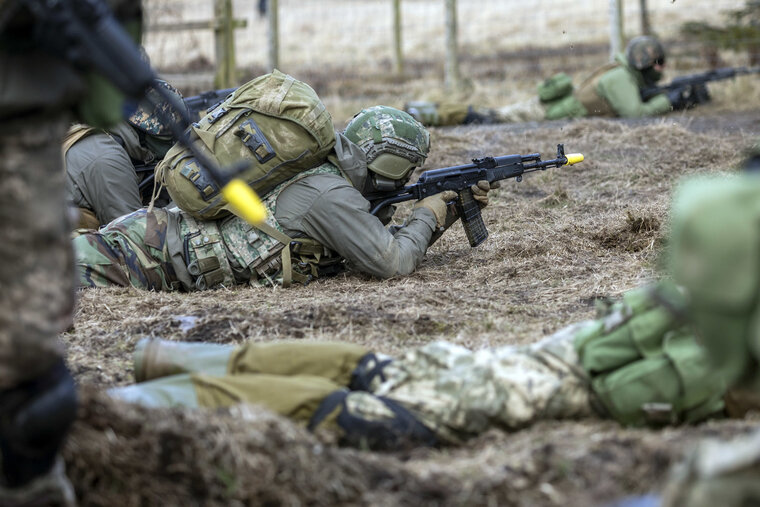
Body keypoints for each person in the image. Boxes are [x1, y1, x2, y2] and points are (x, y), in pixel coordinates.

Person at [110, 159, 760, 450]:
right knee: (390, 413)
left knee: (394, 373)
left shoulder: (721, 276)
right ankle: (154, 404)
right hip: (574, 370)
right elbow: (390, 261)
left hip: (576, 353)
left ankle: (178, 360)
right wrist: (432, 214)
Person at [73, 105, 499, 290]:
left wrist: (442, 211)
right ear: (388, 168)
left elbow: (369, 243)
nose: (408, 181)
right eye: (408, 172)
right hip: (143, 256)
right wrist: (430, 211)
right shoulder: (329, 194)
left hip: (156, 246)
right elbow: (393, 261)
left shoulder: (326, 177)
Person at [0, 0, 144, 504]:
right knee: (31, 384)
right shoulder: (104, 154)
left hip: (28, 127)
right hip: (21, 137)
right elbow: (130, 227)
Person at [405, 36, 681, 127]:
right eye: (658, 63)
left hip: (554, 107)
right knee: (486, 117)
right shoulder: (621, 77)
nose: (661, 68)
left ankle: (423, 110)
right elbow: (633, 113)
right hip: (548, 112)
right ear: (646, 63)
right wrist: (668, 101)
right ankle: (421, 112)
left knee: (488, 115)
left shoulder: (621, 72)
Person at [64, 79, 187, 228]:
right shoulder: (108, 159)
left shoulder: (93, 133)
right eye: (168, 138)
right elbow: (135, 238)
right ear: (145, 133)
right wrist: (181, 207)